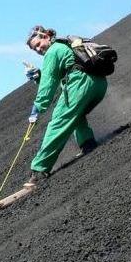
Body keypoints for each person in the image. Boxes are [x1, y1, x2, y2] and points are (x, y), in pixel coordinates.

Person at [25, 25, 108, 184]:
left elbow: (48, 85)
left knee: (59, 121)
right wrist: (37, 76)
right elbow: (56, 76)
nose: (38, 49)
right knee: (76, 114)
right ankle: (87, 143)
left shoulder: (52, 51)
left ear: (47, 36)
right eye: (34, 49)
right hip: (98, 83)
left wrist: (37, 107)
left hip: (81, 84)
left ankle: (39, 169)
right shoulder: (64, 45)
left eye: (38, 44)